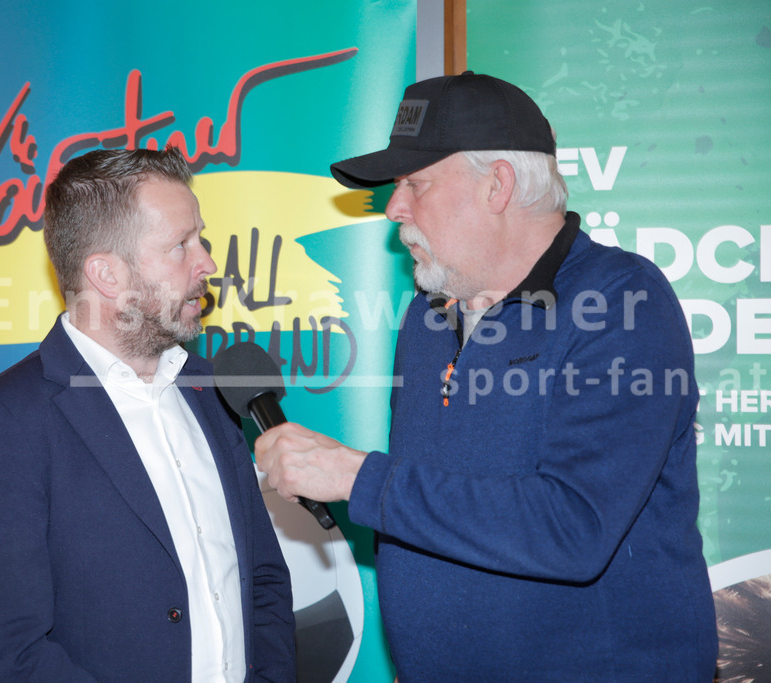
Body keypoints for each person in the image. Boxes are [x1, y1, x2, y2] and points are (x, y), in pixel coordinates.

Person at [254, 71, 717, 679]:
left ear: (497, 184)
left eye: (414, 183)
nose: (395, 206)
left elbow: (575, 526)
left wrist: (357, 477)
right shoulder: (427, 315)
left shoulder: (622, 303)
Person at [0, 148, 295, 681]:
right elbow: (14, 656)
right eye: (181, 246)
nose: (206, 264)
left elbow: (262, 577)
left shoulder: (210, 387)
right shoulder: (2, 423)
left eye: (199, 238)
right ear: (106, 274)